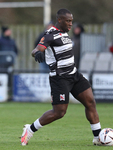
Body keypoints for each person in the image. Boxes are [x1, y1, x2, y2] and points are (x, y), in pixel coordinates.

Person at [20, 9, 102, 146]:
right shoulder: (49, 35)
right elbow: (36, 49)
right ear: (59, 20)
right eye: (68, 21)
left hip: (74, 74)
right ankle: (30, 129)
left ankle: (98, 138)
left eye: (71, 21)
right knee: (59, 112)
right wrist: (37, 53)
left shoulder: (65, 33)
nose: (71, 24)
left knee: (90, 102)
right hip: (60, 78)